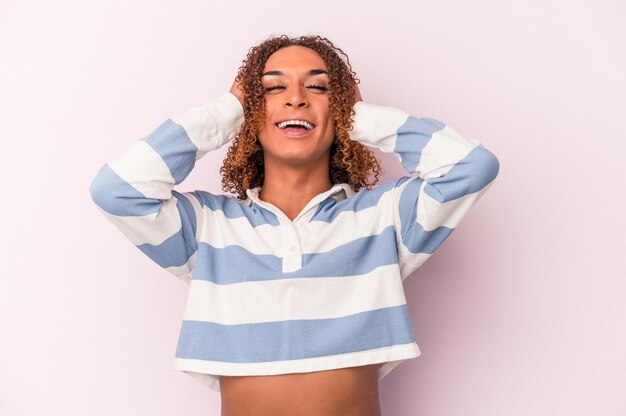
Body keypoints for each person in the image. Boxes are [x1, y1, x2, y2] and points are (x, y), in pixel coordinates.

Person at [89, 35, 500, 416]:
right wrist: (226, 113)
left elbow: (470, 167)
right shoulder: (208, 229)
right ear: (251, 111)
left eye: (318, 88)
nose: (296, 99)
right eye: (272, 88)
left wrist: (358, 117)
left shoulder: (385, 218)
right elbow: (117, 190)